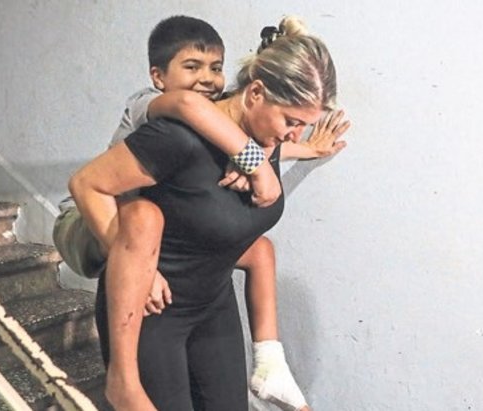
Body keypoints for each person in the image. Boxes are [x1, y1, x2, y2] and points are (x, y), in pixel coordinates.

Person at [55, 15, 349, 410]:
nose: (293, 133)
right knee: (142, 214)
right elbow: (87, 183)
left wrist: (306, 150)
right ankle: (120, 382)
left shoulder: (262, 139)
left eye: (303, 126)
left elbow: (269, 144)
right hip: (154, 307)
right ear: (256, 93)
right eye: (292, 122)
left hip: (213, 304)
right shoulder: (176, 134)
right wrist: (256, 162)